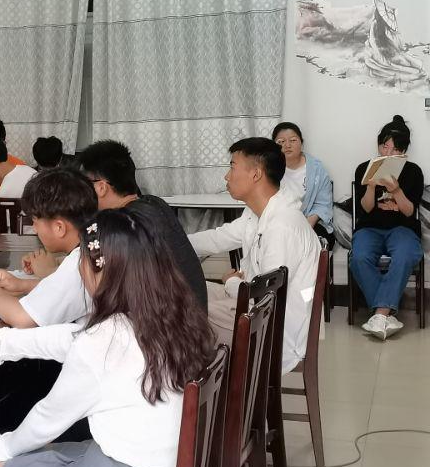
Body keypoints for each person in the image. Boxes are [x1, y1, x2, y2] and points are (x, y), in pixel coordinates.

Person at [0, 209, 214, 467]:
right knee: (43, 456)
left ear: (98, 270)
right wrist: (1, 340)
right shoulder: (173, 318)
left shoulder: (105, 340)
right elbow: (74, 339)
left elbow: (49, 416)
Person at [188, 137, 319, 373]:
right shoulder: (258, 212)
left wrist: (231, 283)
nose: (226, 176)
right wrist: (172, 242)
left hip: (274, 330)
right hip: (251, 303)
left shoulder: (282, 225)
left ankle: (191, 388)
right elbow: (219, 238)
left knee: (185, 312)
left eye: (232, 167)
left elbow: (266, 298)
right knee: (184, 289)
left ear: (256, 174)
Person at [78, 139, 207, 309]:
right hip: (193, 315)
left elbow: (102, 290)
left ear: (101, 187)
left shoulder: (123, 223)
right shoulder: (154, 203)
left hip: (165, 322)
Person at [0, 168, 97, 328]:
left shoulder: (78, 265)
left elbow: (23, 318)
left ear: (59, 227)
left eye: (35, 221)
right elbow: (63, 291)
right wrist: (22, 285)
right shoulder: (93, 247)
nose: (34, 228)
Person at [351, 115, 425, 340]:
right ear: (379, 145)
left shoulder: (413, 171)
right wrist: (371, 186)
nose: (388, 153)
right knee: (359, 257)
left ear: (403, 151)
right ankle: (386, 314)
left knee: (406, 254)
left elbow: (409, 211)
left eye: (395, 149)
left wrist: (396, 191)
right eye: (385, 146)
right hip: (369, 228)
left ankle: (380, 313)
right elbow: (365, 208)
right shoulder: (364, 169)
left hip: (402, 228)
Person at [272, 121, 335, 246]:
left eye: (293, 140)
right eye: (281, 141)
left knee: (313, 243)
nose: (287, 145)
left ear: (302, 143)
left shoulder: (317, 169)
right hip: (279, 222)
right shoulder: (269, 170)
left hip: (310, 221)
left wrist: (306, 226)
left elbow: (323, 204)